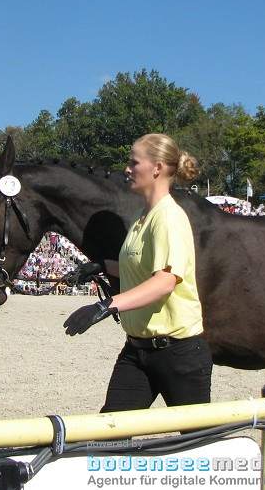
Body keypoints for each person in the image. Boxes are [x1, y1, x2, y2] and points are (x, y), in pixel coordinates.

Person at [63, 133, 212, 412]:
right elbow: (144, 268)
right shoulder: (140, 216)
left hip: (178, 353)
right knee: (109, 433)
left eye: (134, 162)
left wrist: (107, 304)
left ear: (156, 168)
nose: (127, 169)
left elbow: (164, 281)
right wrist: (100, 266)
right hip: (137, 350)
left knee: (197, 442)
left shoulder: (168, 217)